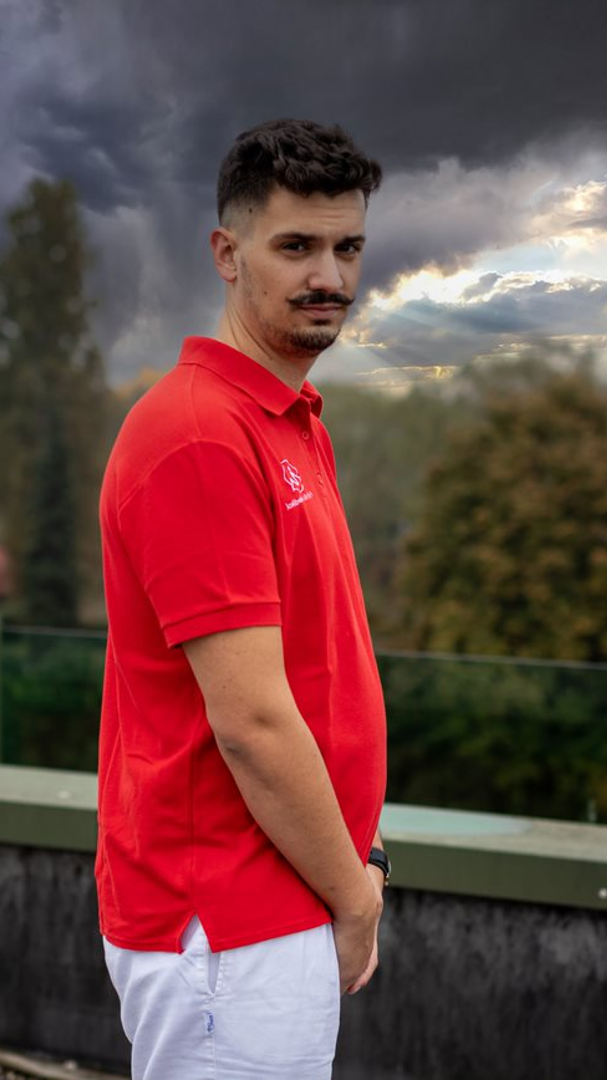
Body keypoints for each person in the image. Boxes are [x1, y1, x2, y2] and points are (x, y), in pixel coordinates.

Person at [96, 118, 390, 1080]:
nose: (329, 276)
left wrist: (361, 859)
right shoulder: (197, 435)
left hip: (280, 897)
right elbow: (254, 723)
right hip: (224, 922)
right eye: (295, 246)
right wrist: (355, 898)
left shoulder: (291, 421)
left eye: (347, 247)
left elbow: (317, 669)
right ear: (227, 254)